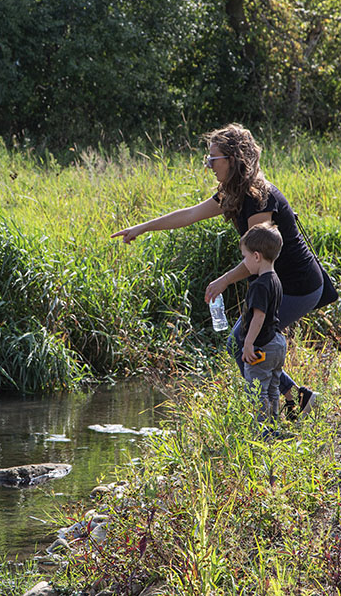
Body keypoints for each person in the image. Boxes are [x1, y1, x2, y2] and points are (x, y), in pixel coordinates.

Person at [111, 123, 318, 420]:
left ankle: (274, 413)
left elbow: (256, 258)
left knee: (243, 340)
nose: (209, 165)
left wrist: (223, 281)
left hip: (298, 286)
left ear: (233, 159)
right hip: (281, 284)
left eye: (213, 158)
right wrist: (141, 228)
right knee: (244, 341)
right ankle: (296, 399)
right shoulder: (235, 192)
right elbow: (190, 214)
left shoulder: (259, 198)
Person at [234, 223, 287, 427]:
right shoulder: (275, 280)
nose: (244, 261)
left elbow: (259, 316)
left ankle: (261, 432)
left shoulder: (259, 285)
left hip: (262, 347)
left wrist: (248, 343)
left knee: (257, 392)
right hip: (277, 343)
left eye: (245, 256)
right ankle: (274, 427)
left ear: (256, 256)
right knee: (273, 388)